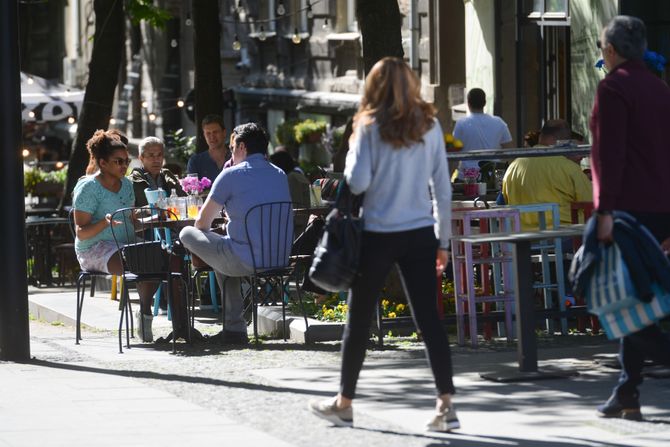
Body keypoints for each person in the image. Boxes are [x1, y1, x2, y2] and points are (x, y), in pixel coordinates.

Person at [307, 57, 456, 432]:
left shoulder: (369, 128)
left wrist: (356, 144)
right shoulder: (431, 127)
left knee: (358, 322)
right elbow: (442, 187)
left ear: (373, 89)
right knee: (429, 320)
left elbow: (356, 182)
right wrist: (444, 241)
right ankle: (445, 404)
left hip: (377, 234)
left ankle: (345, 402)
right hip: (420, 232)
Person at [590, 15, 670, 421]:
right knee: (635, 297)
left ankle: (637, 381)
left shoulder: (613, 88)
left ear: (610, 50)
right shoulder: (660, 89)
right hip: (660, 209)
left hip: (626, 209)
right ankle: (627, 392)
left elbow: (610, 154)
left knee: (621, 299)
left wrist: (604, 212)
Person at [179, 123, 291, 344]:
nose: (231, 154)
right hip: (279, 259)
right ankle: (234, 329)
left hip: (246, 260)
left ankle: (235, 328)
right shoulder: (280, 174)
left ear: (241, 147)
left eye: (232, 149)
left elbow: (202, 223)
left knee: (186, 232)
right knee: (224, 251)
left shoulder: (230, 175)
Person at [72, 130, 187, 342]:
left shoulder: (126, 184)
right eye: (118, 161)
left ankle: (174, 325)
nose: (124, 166)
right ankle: (145, 317)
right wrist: (104, 222)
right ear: (103, 163)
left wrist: (150, 218)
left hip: (126, 243)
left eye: (127, 161)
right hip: (94, 248)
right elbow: (81, 231)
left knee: (170, 258)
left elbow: (131, 221)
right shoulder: (88, 188)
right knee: (144, 261)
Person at [502, 119, 592, 231]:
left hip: (521, 237)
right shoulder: (569, 168)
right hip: (560, 236)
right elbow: (591, 203)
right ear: (565, 141)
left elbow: (504, 200)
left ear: (541, 136)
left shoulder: (514, 166)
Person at [453, 87, 513, 179]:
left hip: (468, 177)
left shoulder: (461, 124)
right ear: (485, 103)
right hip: (492, 177)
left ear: (468, 103)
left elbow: (454, 153)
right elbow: (509, 151)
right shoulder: (499, 122)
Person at [128, 136, 186, 207]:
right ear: (141, 158)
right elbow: (129, 212)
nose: (156, 160)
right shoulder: (132, 181)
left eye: (159, 155)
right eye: (151, 155)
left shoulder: (168, 176)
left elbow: (184, 201)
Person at [186, 114, 230, 180]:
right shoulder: (195, 162)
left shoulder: (236, 158)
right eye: (208, 133)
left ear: (224, 132)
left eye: (215, 132)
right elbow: (192, 189)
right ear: (204, 135)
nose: (212, 137)